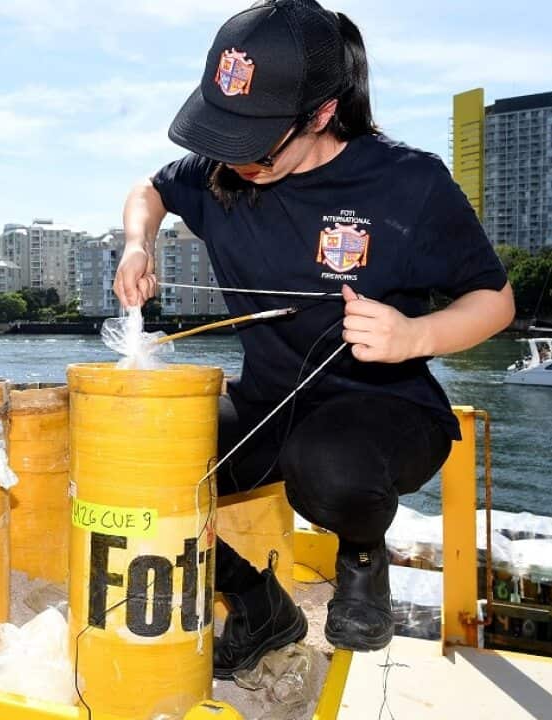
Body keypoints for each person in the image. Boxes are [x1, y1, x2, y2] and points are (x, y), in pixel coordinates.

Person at [113, 0, 514, 676]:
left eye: (254, 144)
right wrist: (135, 245)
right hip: (270, 398)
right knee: (129, 461)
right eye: (222, 136)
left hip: (385, 412)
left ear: (323, 113)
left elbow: (495, 301)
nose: (233, 160)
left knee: (324, 465)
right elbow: (149, 190)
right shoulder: (219, 170)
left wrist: (414, 333)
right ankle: (255, 600)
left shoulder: (407, 181)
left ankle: (363, 553)